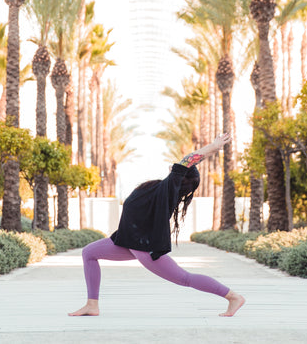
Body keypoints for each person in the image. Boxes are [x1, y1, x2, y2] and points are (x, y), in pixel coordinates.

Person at [68, 133, 245, 318]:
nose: (176, 166)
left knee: (184, 278)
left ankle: (233, 297)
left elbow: (186, 162)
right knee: (89, 252)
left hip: (145, 247)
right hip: (126, 240)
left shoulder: (168, 190)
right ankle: (92, 305)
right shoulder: (159, 189)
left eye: (181, 169)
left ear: (181, 177)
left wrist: (213, 147)